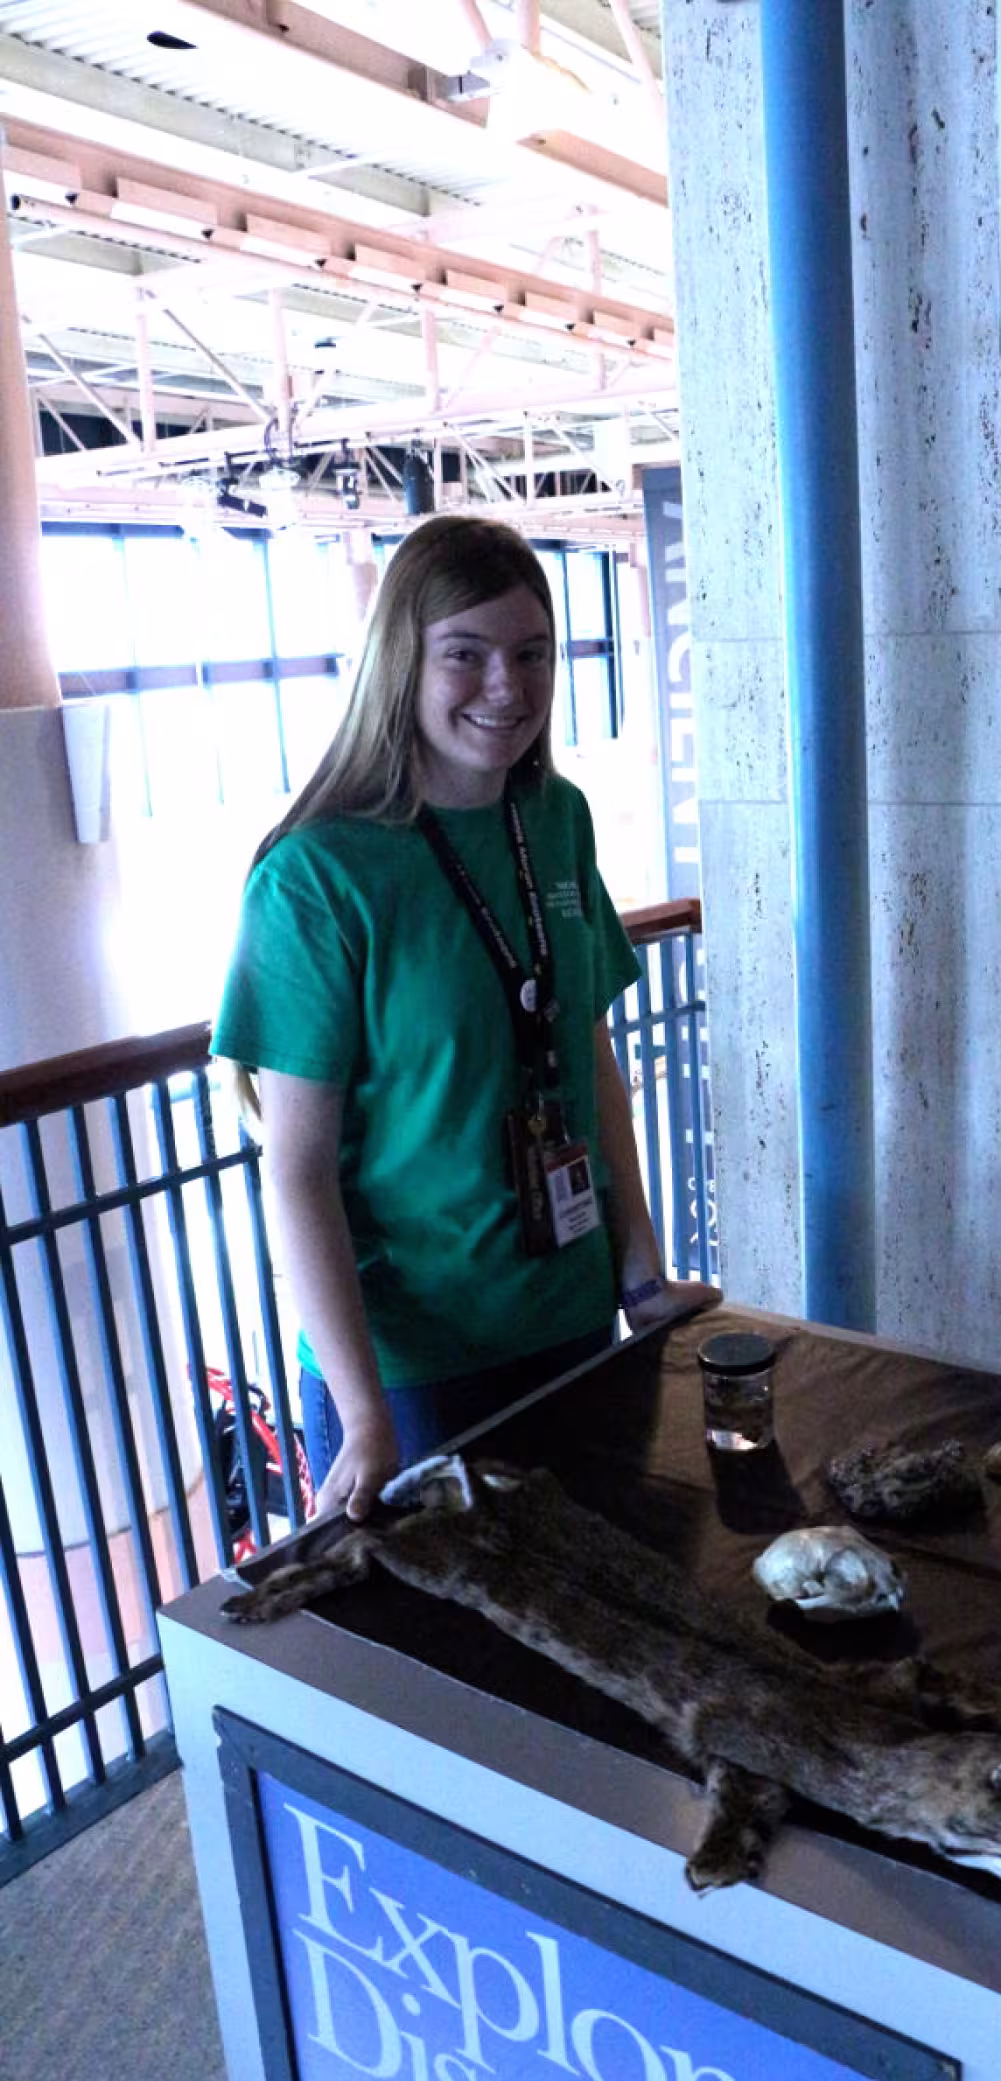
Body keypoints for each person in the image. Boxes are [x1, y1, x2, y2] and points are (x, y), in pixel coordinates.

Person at [213, 514, 720, 1520]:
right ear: (402, 663)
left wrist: (638, 1270)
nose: (508, 687)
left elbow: (584, 1053)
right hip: (415, 1374)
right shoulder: (317, 877)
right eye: (467, 654)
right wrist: (364, 1415)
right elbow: (298, 1168)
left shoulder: (554, 816)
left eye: (531, 654)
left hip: (568, 1322)